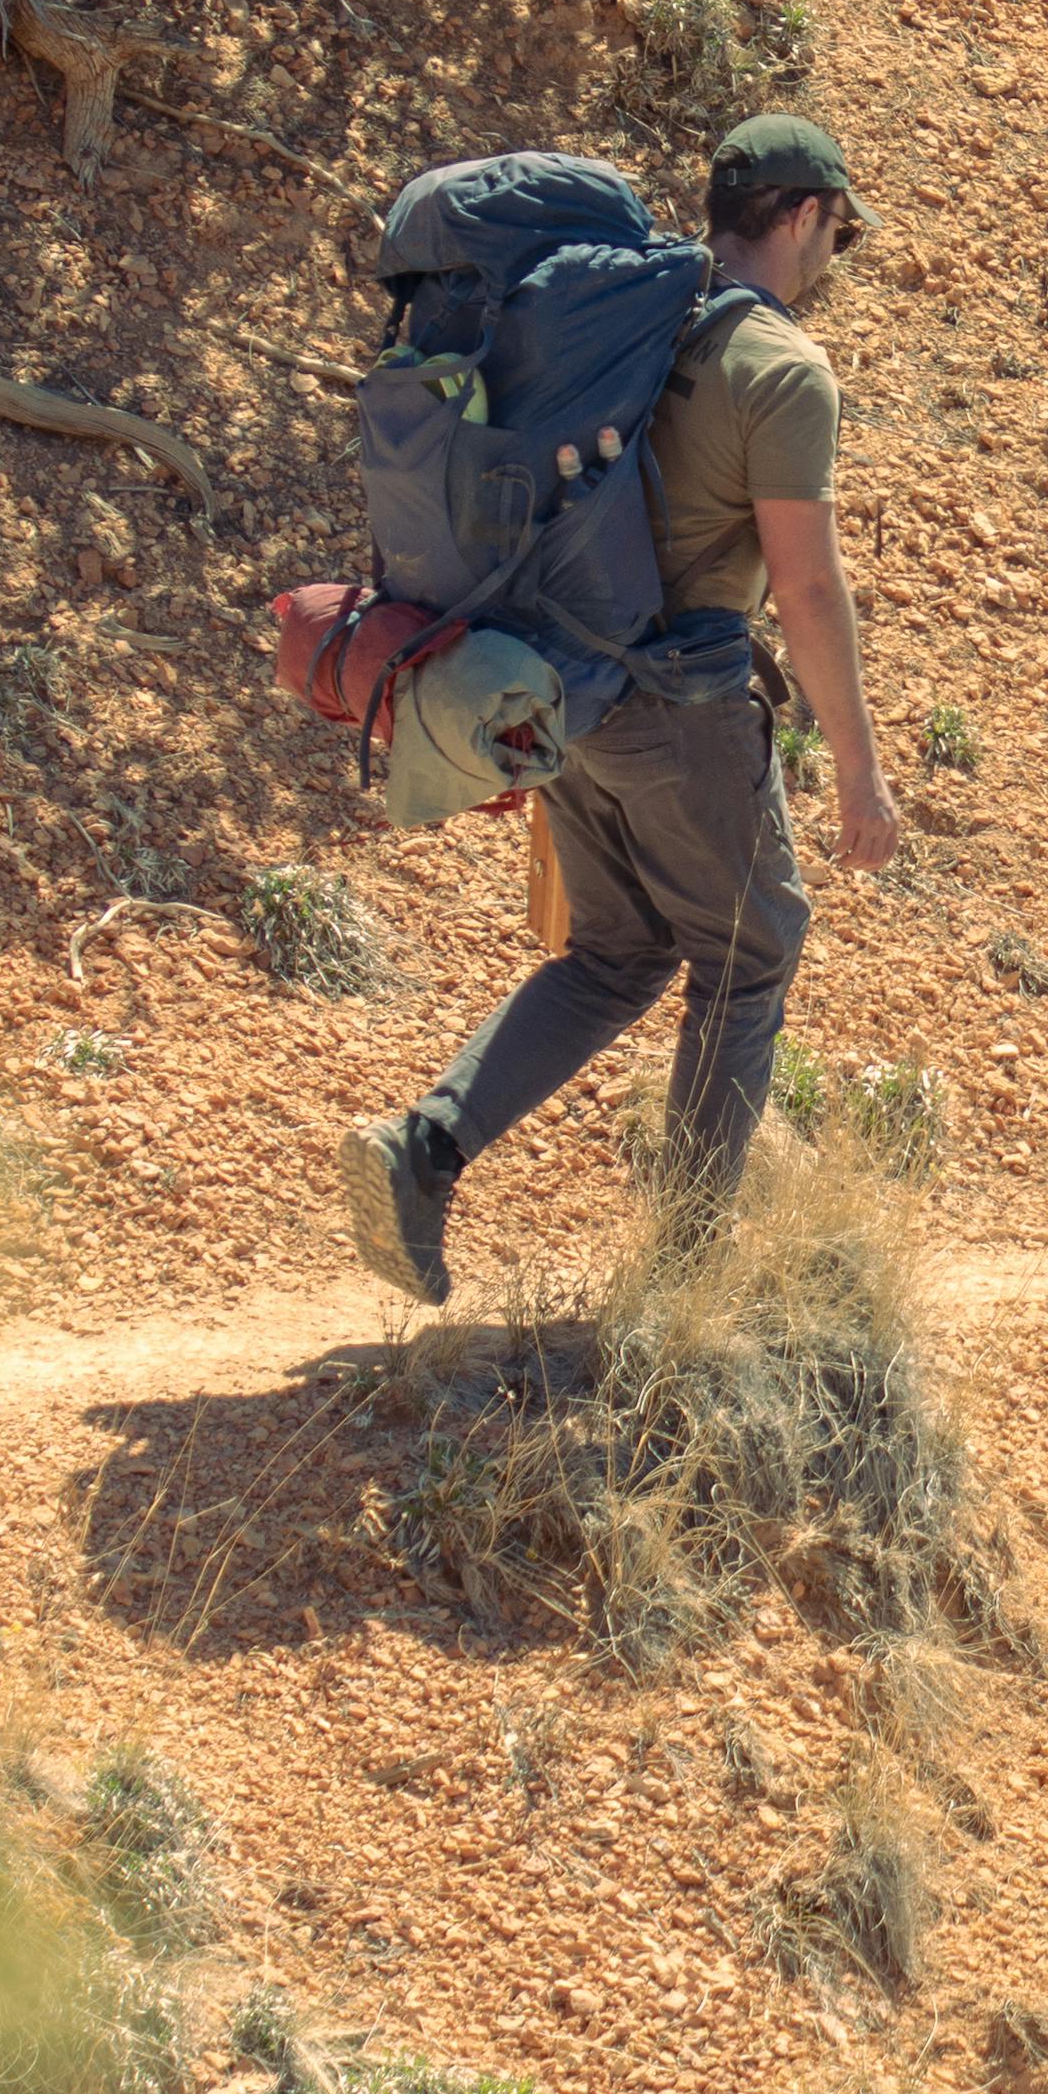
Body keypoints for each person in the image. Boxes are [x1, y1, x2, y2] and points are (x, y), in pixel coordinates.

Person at [346, 113, 909, 1301]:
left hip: (569, 692)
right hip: (680, 703)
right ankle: (684, 1279)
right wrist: (860, 770)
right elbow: (804, 586)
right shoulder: (780, 369)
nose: (831, 262)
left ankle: (424, 1148)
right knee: (752, 953)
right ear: (803, 216)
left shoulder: (626, 322)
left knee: (621, 951)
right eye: (837, 235)